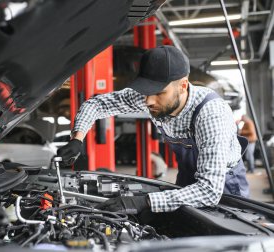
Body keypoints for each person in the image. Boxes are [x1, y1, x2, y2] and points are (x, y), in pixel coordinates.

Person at [57, 45, 249, 215]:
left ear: (182, 86)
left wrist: (146, 201)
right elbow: (96, 104)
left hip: (225, 186)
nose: (149, 101)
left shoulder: (211, 114)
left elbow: (209, 191)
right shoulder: (148, 97)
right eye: (146, 91)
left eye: (159, 93)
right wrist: (77, 139)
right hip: (188, 176)